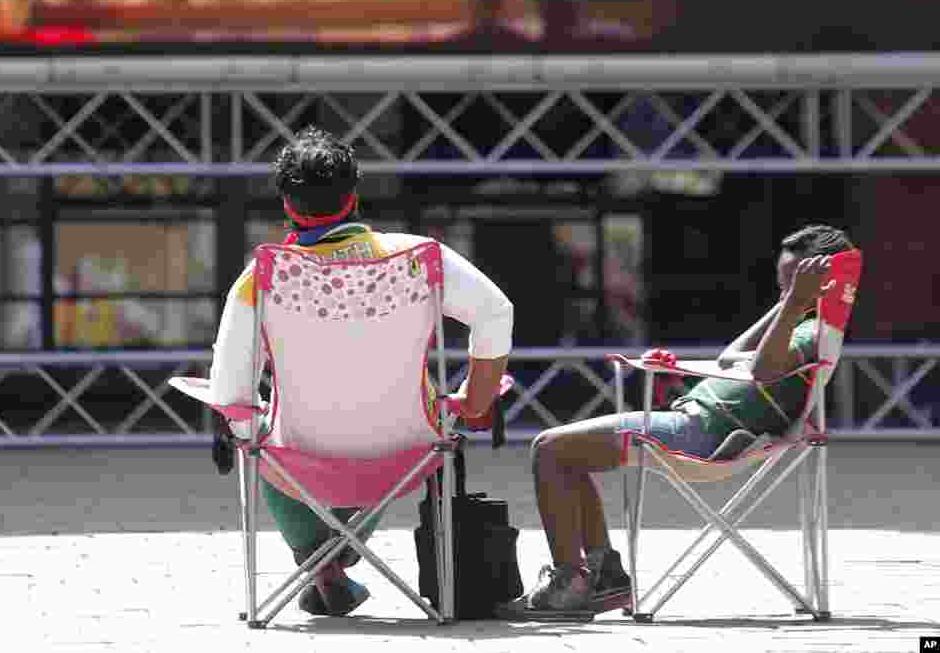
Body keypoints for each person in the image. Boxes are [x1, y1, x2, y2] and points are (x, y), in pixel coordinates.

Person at [208, 126, 513, 617]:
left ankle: (323, 564)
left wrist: (244, 431)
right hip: (406, 454)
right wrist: (475, 403)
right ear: (353, 196)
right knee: (389, 435)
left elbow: (229, 387)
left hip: (298, 461)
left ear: (288, 205)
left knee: (257, 432)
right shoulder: (419, 258)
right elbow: (497, 312)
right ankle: (336, 558)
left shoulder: (261, 278)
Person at [498, 222, 854, 621]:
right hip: (695, 421)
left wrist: (793, 305)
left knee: (548, 449)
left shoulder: (810, 332)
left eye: (794, 283)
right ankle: (605, 576)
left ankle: (569, 585)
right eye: (782, 284)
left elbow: (764, 369)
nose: (785, 293)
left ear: (821, 282)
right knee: (567, 455)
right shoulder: (798, 321)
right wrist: (790, 300)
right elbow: (728, 360)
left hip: (702, 434)